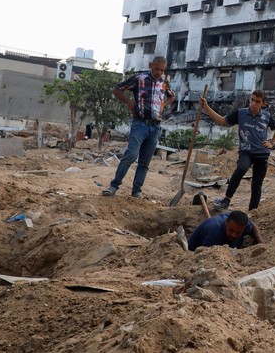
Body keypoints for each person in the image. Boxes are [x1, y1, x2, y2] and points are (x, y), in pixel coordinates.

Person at [102, 56, 174, 198]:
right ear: (150, 65)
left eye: (162, 70)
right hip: (140, 124)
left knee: (145, 161)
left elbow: (172, 96)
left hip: (155, 127)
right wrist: (129, 103)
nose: (159, 72)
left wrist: (163, 105)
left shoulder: (164, 82)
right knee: (131, 155)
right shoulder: (139, 79)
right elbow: (117, 89)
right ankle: (114, 186)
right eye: (156, 68)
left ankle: (136, 191)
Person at [202, 90, 275, 211]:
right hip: (246, 151)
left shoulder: (266, 116)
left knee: (257, 184)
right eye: (252, 100)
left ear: (263, 104)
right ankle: (226, 199)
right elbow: (222, 121)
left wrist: (272, 143)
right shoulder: (241, 113)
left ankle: (252, 211)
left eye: (257, 101)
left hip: (262, 153)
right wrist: (206, 107)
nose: (253, 103)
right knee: (241, 168)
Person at [187, 210, 264, 251]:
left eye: (238, 232)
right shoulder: (213, 231)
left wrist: (260, 240)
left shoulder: (243, 224)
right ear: (226, 222)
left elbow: (252, 226)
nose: (234, 235)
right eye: (231, 230)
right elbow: (206, 254)